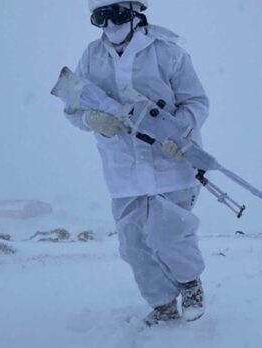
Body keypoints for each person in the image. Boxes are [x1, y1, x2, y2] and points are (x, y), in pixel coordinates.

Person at [61, 0, 208, 325]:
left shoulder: (168, 53)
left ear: (135, 11)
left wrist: (180, 132)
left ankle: (189, 284)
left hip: (171, 165)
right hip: (122, 171)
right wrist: (91, 118)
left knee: (166, 234)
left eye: (117, 14)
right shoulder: (90, 56)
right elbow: (72, 106)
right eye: (101, 17)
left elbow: (196, 102)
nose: (110, 24)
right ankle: (163, 303)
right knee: (132, 245)